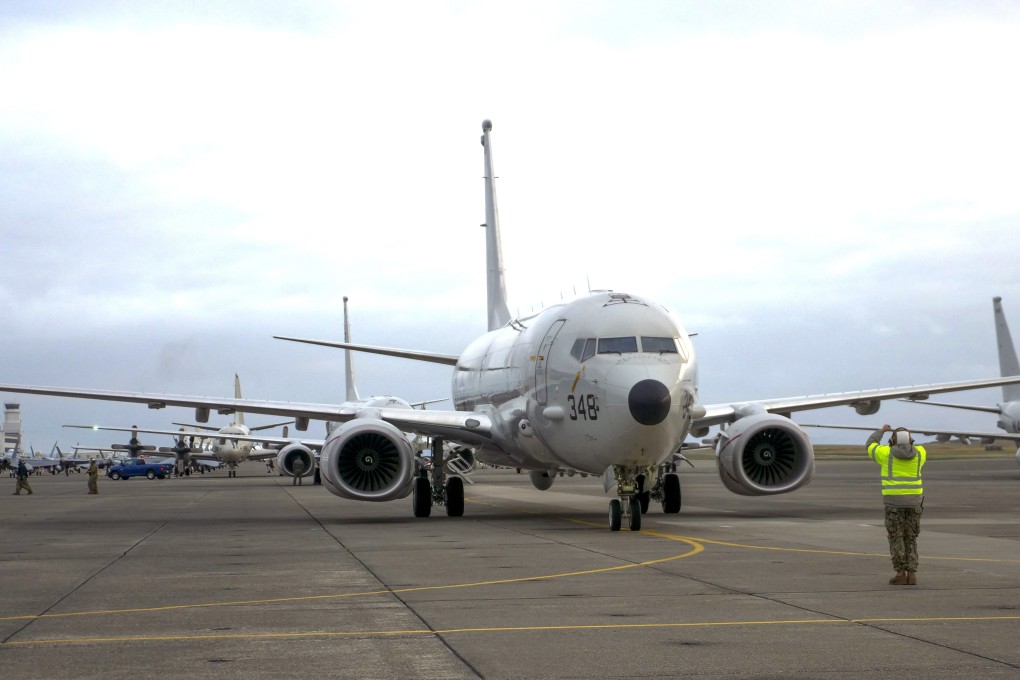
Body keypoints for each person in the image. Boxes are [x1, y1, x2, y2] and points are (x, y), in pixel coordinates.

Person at [866, 424, 926, 585]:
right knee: (911, 537)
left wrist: (881, 431)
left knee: (896, 537)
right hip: (914, 502)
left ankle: (900, 573)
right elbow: (914, 446)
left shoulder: (886, 454)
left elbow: (870, 445)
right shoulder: (920, 453)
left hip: (893, 503)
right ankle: (912, 573)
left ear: (893, 441)